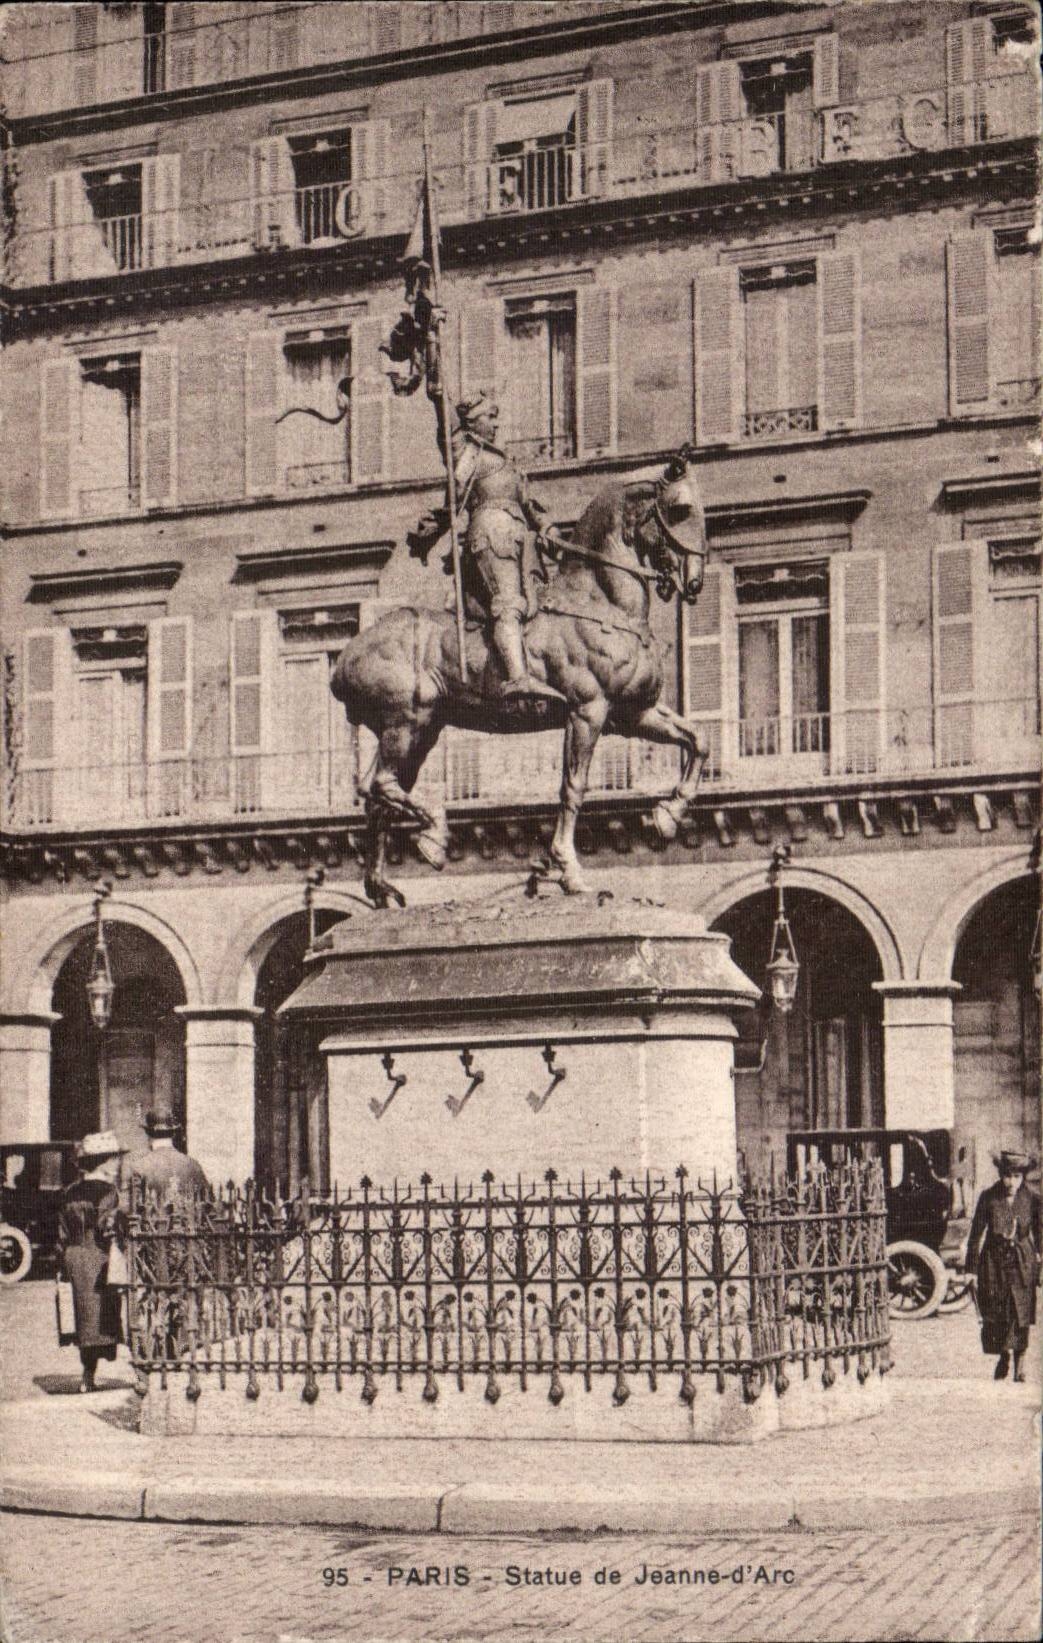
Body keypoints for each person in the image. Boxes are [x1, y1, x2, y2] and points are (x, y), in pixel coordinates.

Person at [407, 390, 558, 702]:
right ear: (472, 422)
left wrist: (547, 527)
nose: (496, 424)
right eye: (490, 416)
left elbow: (529, 504)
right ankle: (517, 678)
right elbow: (448, 430)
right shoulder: (469, 453)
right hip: (491, 533)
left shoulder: (508, 463)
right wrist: (439, 396)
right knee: (508, 604)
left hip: (521, 540)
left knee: (540, 606)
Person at [56, 1131, 128, 1393]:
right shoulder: (109, 1192)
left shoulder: (69, 1192)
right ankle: (105, 1372)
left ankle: (87, 1375)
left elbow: (61, 1233)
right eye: (112, 1159)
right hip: (99, 1257)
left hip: (74, 1255)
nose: (115, 1164)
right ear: (104, 1161)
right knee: (103, 1317)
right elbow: (106, 1227)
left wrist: (62, 1262)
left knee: (83, 1318)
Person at [965, 1150, 1041, 1382]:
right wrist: (971, 1270)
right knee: (997, 1312)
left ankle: (1020, 1363)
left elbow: (1040, 1234)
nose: (1011, 1182)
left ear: (1023, 1177)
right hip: (993, 1263)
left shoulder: (1033, 1199)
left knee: (1020, 1311)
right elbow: (976, 1235)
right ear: (1001, 1175)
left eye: (1017, 1177)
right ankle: (1004, 1356)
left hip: (1022, 1262)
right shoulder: (988, 1197)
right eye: (1007, 1176)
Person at [126, 1107, 210, 1205]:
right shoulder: (193, 1165)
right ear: (173, 1134)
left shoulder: (139, 1166)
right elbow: (208, 1203)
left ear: (148, 1134)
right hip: (188, 1219)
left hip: (154, 1219)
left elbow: (132, 1209)